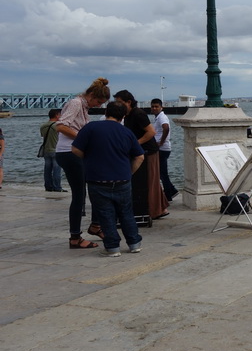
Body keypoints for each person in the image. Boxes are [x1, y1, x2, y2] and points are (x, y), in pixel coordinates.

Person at [72, 101, 145, 257]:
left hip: (97, 179)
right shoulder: (126, 132)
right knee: (126, 213)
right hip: (122, 179)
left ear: (106, 112)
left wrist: (89, 158)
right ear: (124, 115)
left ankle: (112, 248)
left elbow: (75, 149)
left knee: (105, 214)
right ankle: (134, 243)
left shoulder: (91, 128)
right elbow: (139, 156)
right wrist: (129, 172)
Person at [55, 77, 110, 249]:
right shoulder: (76, 103)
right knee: (79, 195)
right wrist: (82, 139)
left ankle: (95, 225)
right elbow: (61, 126)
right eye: (98, 101)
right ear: (92, 95)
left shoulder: (83, 106)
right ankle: (75, 237)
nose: (99, 106)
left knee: (96, 186)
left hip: (75, 153)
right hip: (69, 152)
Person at [114, 90, 169, 220]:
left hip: (148, 151)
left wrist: (135, 144)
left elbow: (151, 132)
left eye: (120, 103)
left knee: (149, 180)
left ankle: (154, 210)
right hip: (141, 151)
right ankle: (159, 208)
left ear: (128, 102)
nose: (118, 105)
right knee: (150, 180)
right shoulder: (127, 115)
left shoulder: (138, 114)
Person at [150, 99, 179, 201]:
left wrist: (161, 142)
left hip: (163, 148)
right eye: (153, 106)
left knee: (162, 173)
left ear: (161, 107)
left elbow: (166, 128)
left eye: (156, 106)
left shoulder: (162, 117)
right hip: (162, 148)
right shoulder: (158, 118)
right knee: (161, 172)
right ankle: (172, 190)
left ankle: (168, 195)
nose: (154, 108)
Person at [40, 109, 65, 192]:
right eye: (60, 114)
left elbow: (43, 136)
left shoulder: (43, 126)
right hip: (56, 149)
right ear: (57, 115)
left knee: (47, 170)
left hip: (46, 150)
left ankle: (48, 187)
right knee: (57, 170)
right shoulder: (58, 126)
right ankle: (57, 187)